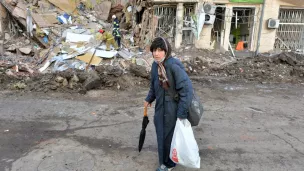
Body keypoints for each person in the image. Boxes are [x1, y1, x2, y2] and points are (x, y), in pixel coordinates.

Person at [144, 37, 193, 171]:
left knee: (168, 137)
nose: (156, 53)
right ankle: (164, 161)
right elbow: (154, 86)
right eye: (154, 50)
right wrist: (149, 98)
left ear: (166, 51)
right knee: (162, 135)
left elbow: (187, 90)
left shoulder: (173, 65)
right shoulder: (155, 66)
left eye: (160, 50)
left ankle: (168, 165)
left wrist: (181, 113)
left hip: (172, 107)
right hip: (160, 107)